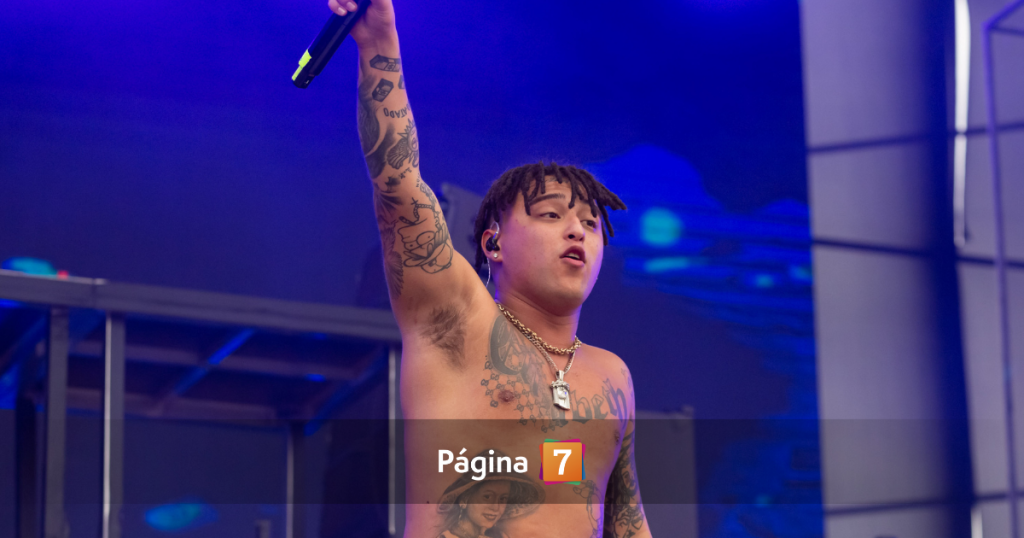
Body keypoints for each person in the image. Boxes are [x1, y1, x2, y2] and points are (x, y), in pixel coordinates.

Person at [331, 0, 652, 535]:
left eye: (591, 224)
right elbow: (399, 186)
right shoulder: (457, 319)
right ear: (493, 243)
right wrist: (378, 44)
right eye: (551, 215)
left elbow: (627, 521)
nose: (577, 230)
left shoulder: (612, 374)